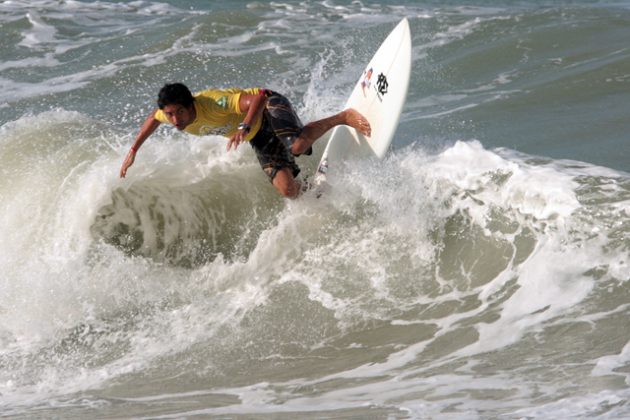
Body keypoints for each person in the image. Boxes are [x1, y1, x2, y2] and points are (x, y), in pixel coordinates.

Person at [119, 83, 371, 198]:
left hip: (268, 107)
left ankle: (342, 116)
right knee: (288, 191)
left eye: (179, 112)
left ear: (191, 105)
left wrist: (243, 125)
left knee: (296, 146)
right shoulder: (170, 114)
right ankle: (316, 188)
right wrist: (134, 149)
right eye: (171, 114)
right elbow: (153, 117)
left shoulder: (213, 102)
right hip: (257, 134)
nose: (174, 120)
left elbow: (259, 97)